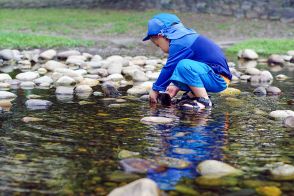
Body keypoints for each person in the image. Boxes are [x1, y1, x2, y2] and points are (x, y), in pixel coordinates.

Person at [143, 13, 232, 109]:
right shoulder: (185, 38)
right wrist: (175, 86)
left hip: (218, 78)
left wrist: (155, 89)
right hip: (210, 74)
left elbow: (169, 68)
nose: (160, 48)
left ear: (161, 36)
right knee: (181, 68)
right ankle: (191, 96)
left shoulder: (180, 43)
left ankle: (205, 101)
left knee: (183, 65)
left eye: (158, 45)